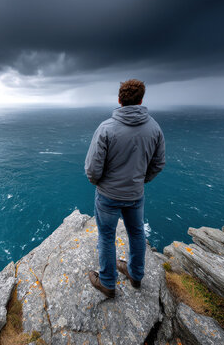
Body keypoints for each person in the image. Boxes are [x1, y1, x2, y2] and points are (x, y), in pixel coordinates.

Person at [84, 79, 165, 298]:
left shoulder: (106, 128)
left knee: (107, 237)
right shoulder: (154, 128)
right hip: (135, 194)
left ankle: (108, 283)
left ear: (119, 100)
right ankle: (135, 275)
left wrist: (100, 183)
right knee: (137, 232)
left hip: (108, 196)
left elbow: (92, 169)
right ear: (141, 100)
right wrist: (141, 179)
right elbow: (158, 163)